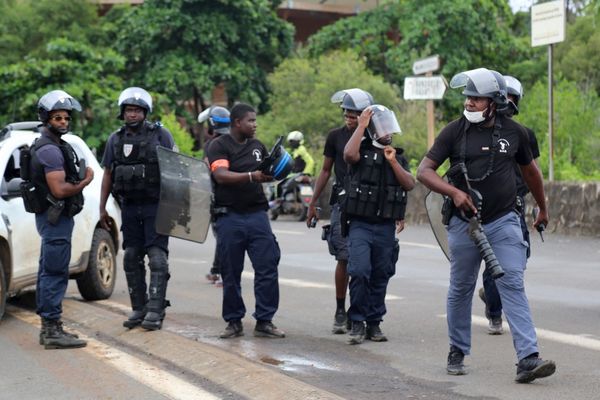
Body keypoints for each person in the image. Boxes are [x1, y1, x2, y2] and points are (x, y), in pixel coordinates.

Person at [416, 68, 556, 383]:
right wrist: (453, 192)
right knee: (462, 287)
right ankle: (457, 349)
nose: (469, 103)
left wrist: (543, 208)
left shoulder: (515, 132)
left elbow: (531, 172)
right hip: (464, 224)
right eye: (467, 98)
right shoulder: (453, 131)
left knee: (512, 282)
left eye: (476, 99)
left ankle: (528, 359)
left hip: (505, 219)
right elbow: (424, 171)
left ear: (493, 102)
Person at [206, 103, 286, 339]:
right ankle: (233, 321)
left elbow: (266, 174)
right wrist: (252, 176)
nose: (255, 124)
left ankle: (265, 320)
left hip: (257, 215)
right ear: (237, 122)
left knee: (267, 267)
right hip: (230, 216)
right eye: (250, 121)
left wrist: (276, 171)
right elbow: (221, 175)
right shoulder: (218, 145)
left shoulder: (257, 146)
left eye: (255, 120)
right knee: (231, 272)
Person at [99, 87, 176, 331]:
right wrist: (102, 207)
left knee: (157, 257)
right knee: (132, 257)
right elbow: (108, 175)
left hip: (156, 205)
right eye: (129, 110)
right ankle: (138, 309)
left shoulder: (161, 135)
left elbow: (176, 170)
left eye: (137, 110)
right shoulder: (115, 139)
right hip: (129, 207)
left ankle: (155, 309)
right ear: (123, 113)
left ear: (145, 112)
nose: (133, 114)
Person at [342, 105, 415, 345]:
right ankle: (356, 322)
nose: (387, 132)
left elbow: (409, 184)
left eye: (388, 126)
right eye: (381, 127)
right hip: (361, 224)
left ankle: (374, 323)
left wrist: (393, 162)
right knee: (360, 271)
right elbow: (348, 156)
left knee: (380, 274)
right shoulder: (360, 151)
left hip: (385, 227)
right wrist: (361, 124)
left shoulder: (397, 155)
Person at [26, 90, 93, 349]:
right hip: (55, 218)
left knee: (48, 270)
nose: (63, 122)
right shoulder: (50, 151)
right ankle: (52, 330)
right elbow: (60, 190)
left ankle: (49, 327)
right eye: (57, 118)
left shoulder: (53, 145)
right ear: (46, 119)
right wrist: (85, 181)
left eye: (66, 118)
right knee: (55, 271)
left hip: (53, 218)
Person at [306, 88, 374, 334]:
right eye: (346, 113)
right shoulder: (335, 136)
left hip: (369, 206)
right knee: (344, 257)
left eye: (355, 114)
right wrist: (313, 203)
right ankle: (340, 309)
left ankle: (367, 315)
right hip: (343, 204)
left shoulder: (376, 136)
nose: (349, 117)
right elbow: (325, 171)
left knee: (367, 262)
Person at [477, 75, 541, 335]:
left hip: (515, 205)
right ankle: (494, 313)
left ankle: (494, 295)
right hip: (490, 208)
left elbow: (533, 171)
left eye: (511, 99)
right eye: (503, 98)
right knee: (497, 265)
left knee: (518, 260)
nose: (506, 104)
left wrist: (539, 204)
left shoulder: (524, 134)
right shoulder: (475, 133)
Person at [198, 105, 231, 286]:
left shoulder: (212, 145)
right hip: (235, 197)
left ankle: (223, 273)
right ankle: (217, 270)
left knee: (222, 236)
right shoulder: (236, 141)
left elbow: (205, 170)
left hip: (217, 197)